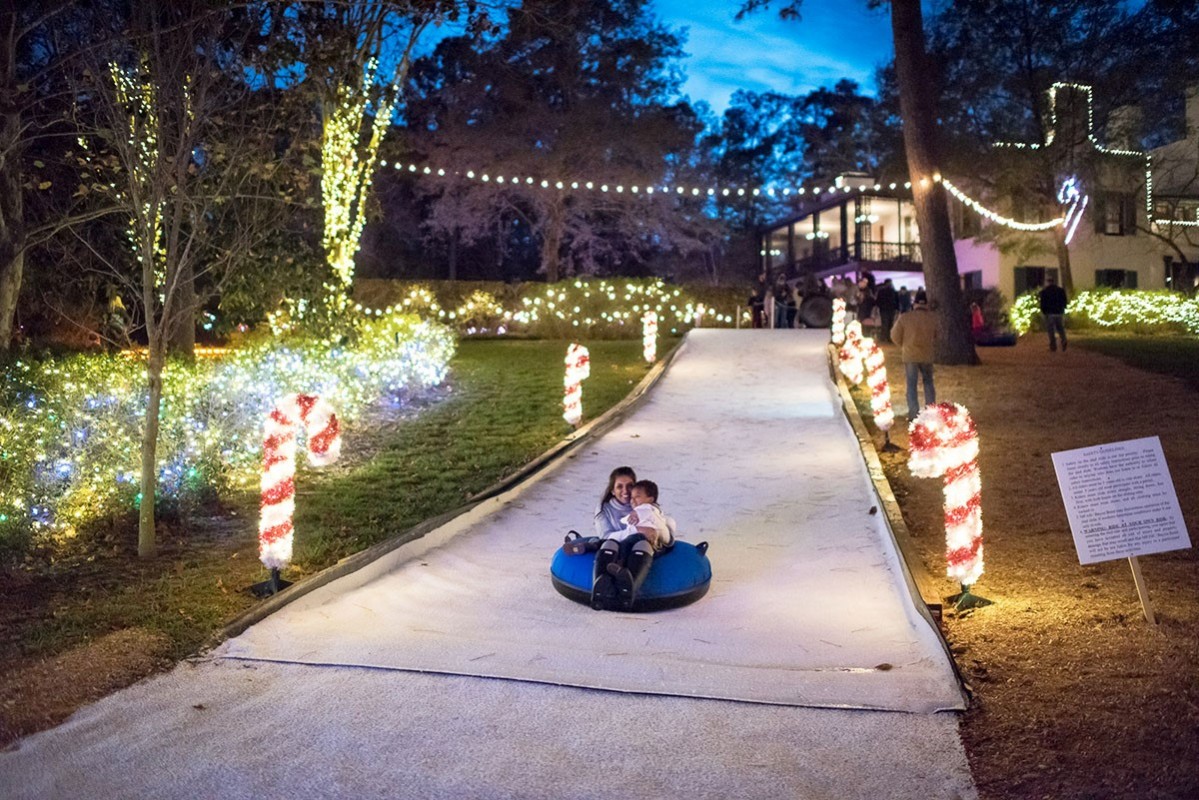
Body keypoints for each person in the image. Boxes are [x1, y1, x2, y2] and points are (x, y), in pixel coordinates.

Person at [592, 479, 675, 611]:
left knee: (625, 544)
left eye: (637, 496)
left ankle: (614, 575)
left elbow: (644, 513)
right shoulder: (652, 513)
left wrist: (634, 515)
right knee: (615, 543)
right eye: (631, 497)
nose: (632, 500)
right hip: (641, 539)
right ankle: (617, 582)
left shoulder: (646, 509)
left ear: (650, 498)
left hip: (643, 542)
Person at [890, 289, 937, 418]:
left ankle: (913, 412)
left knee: (911, 384)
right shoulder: (932, 318)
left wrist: (903, 345)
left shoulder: (905, 318)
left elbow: (894, 335)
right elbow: (937, 335)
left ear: (915, 303)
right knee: (928, 382)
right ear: (926, 304)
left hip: (910, 355)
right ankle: (931, 410)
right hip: (927, 355)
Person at [1038, 276, 1069, 352]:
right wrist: (1063, 308)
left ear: (1047, 282)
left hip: (1050, 313)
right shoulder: (1060, 290)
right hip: (1059, 312)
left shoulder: (1045, 291)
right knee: (1060, 328)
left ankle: (1053, 346)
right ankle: (1063, 340)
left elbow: (1043, 303)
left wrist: (1044, 312)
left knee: (1051, 330)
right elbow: (1065, 300)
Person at [875, 279, 899, 343]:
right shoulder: (893, 291)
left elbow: (878, 301)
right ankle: (889, 338)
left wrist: (880, 307)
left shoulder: (881, 291)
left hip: (884, 309)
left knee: (885, 324)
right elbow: (897, 301)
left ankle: (883, 338)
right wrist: (897, 309)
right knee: (890, 324)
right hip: (891, 309)